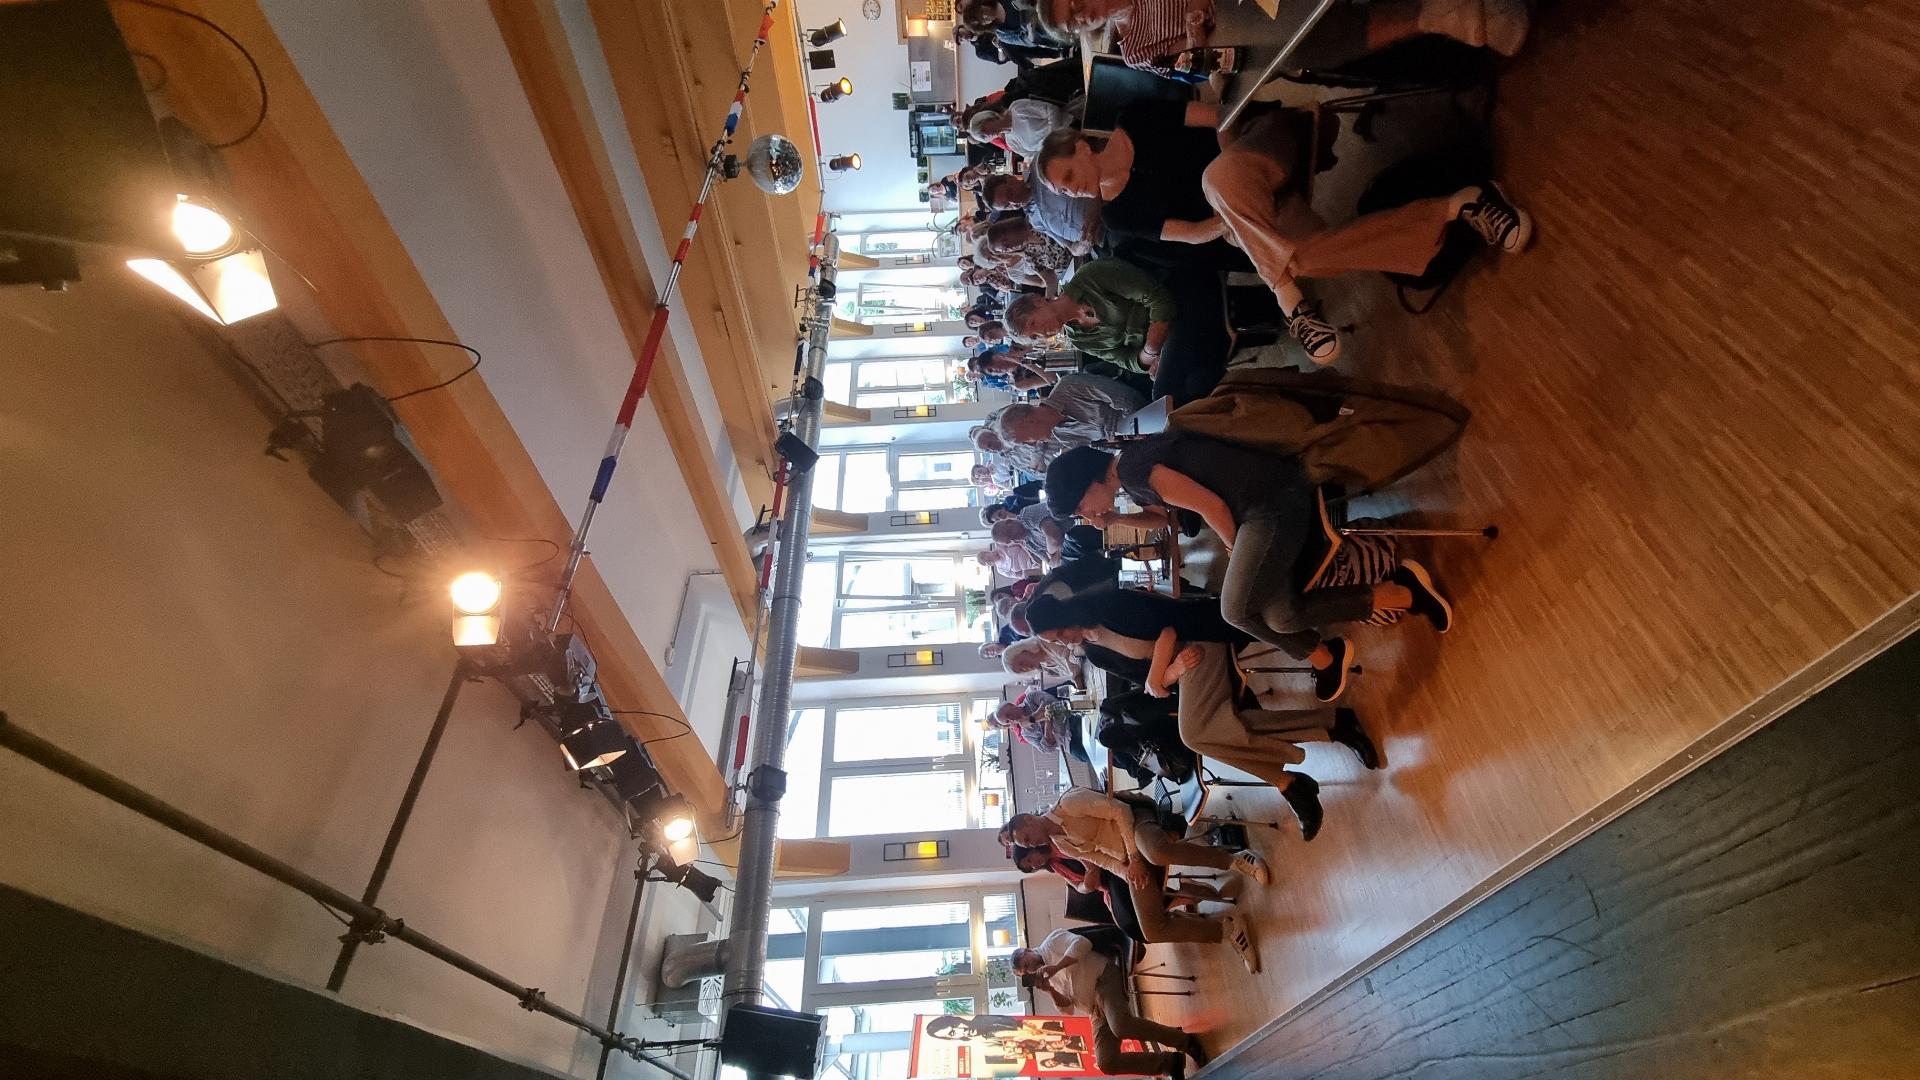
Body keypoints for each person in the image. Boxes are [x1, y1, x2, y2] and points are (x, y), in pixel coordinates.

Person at [1035, 100, 1532, 364]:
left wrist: (1230, 185)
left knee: (1217, 179)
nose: (1073, 191)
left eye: (1068, 177)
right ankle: (1459, 204)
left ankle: (1290, 301)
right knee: (1300, 257)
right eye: (1064, 191)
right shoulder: (1119, 217)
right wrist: (1235, 219)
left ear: (1081, 147)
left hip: (1258, 144)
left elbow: (1222, 117)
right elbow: (1191, 234)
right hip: (1257, 219)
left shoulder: (1134, 117)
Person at [1042, 441, 1454, 702]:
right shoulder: (1130, 475)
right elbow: (1164, 519)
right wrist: (1116, 517)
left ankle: (1328, 653)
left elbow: (1213, 507)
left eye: (1080, 508)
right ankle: (1397, 595)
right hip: (1257, 510)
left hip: (1270, 504)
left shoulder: (1135, 468)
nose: (1086, 516)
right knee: (1281, 615)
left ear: (1086, 484)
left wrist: (1233, 550)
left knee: (1234, 610)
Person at [1002, 788, 1263, 970]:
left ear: (1029, 819)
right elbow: (1101, 860)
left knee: (1156, 851)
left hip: (1136, 823)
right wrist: (1126, 872)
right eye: (1026, 844)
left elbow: (1120, 811)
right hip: (1127, 858)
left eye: (1027, 838)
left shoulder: (1068, 803)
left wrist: (1134, 856)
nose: (1031, 843)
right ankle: (1229, 929)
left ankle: (1236, 859)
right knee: (1151, 929)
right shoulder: (1061, 844)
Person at [1036, 0, 1531, 79]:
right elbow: (1196, 63)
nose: (1083, 15)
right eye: (1076, 23)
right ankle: (1437, 16)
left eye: (1075, 4)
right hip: (1243, 22)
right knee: (1304, 48)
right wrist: (1193, 35)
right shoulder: (1132, 49)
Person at [1005, 258, 1227, 404]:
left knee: (1167, 393)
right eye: (1034, 338)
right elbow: (1125, 360)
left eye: (1033, 324)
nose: (1042, 334)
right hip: (1164, 344)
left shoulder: (1089, 277)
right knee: (1188, 386)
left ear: (1038, 301)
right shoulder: (1078, 339)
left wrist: (1152, 347)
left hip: (1179, 303)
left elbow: (1158, 298)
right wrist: (1151, 357)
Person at [1014, 928, 1208, 1078]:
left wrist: (1056, 967)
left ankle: (1186, 1042)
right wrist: (1050, 990)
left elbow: (1082, 943)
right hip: (1094, 1009)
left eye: (1026, 964)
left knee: (1121, 1027)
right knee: (1106, 1062)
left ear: (1028, 951)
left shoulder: (1052, 942)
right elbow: (1068, 1009)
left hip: (1104, 978)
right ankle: (1170, 1063)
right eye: (1026, 972)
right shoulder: (1045, 978)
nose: (1030, 969)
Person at [994, 371, 1147, 458]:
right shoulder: (1063, 436)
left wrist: (1140, 432)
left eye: (1026, 440)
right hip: (1139, 442)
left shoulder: (1069, 387)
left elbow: (1127, 399)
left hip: (1147, 410)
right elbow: (1105, 450)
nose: (1032, 444)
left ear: (1028, 422)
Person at [981, 171, 1101, 257]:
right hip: (1097, 241)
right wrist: (1083, 246)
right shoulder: (1035, 221)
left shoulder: (1041, 173)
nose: (1014, 202)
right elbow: (1071, 247)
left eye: (1009, 194)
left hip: (1103, 209)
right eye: (1008, 206)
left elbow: (1092, 173)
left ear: (1010, 178)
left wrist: (1093, 215)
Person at [966, 97, 1074, 159]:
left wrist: (1056, 140)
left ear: (986, 118)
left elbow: (1051, 110)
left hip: (1072, 127)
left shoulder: (1016, 109)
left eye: (983, 130)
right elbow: (1035, 157)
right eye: (984, 137)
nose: (987, 135)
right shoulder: (1011, 143)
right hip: (1064, 151)